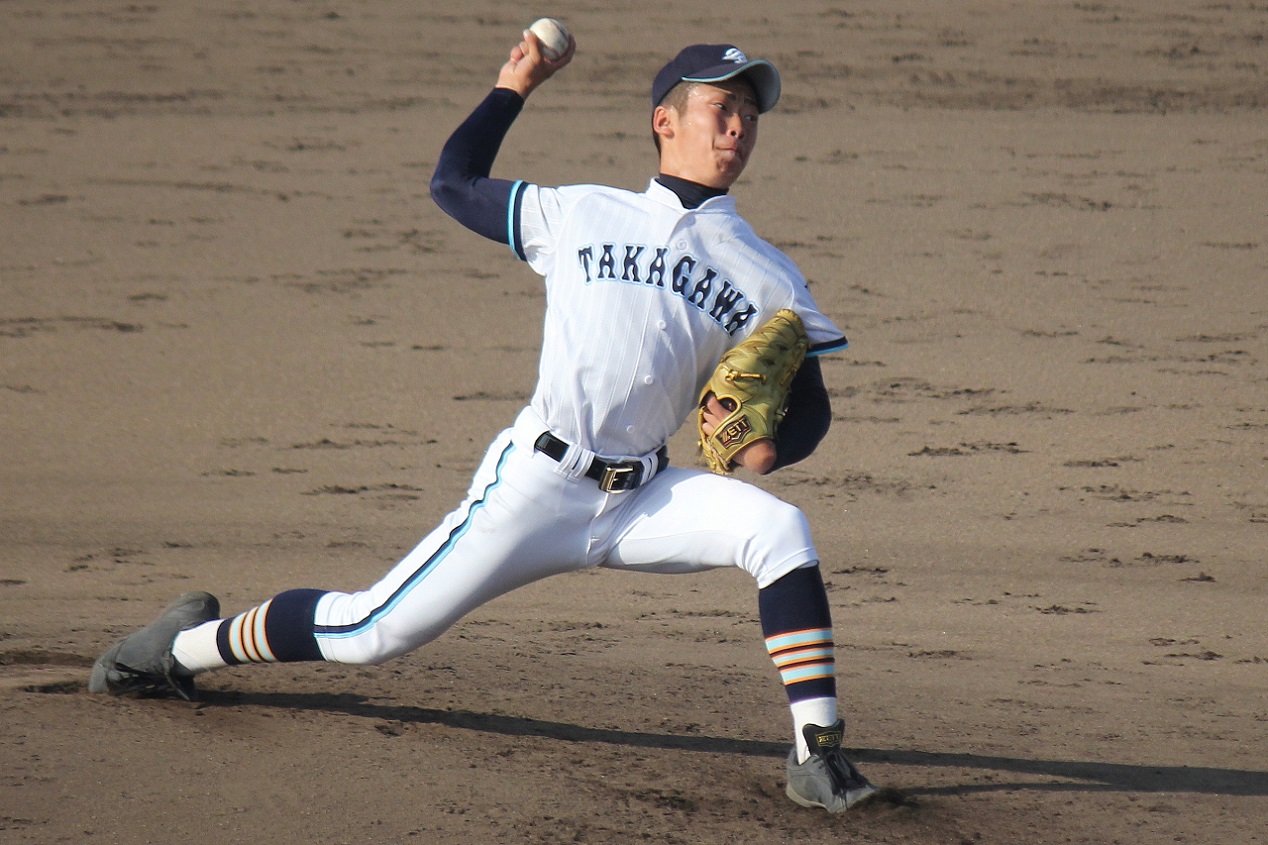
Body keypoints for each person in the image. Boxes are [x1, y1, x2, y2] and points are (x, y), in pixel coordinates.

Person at [89, 30, 879, 814]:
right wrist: (515, 85)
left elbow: (808, 406)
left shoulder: (766, 272)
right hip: (537, 487)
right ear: (665, 121)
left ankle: (817, 753)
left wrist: (767, 449)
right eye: (721, 106)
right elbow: (452, 181)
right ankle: (178, 648)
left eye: (749, 112)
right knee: (371, 631)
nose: (738, 127)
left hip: (643, 497)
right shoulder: (576, 213)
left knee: (779, 531)